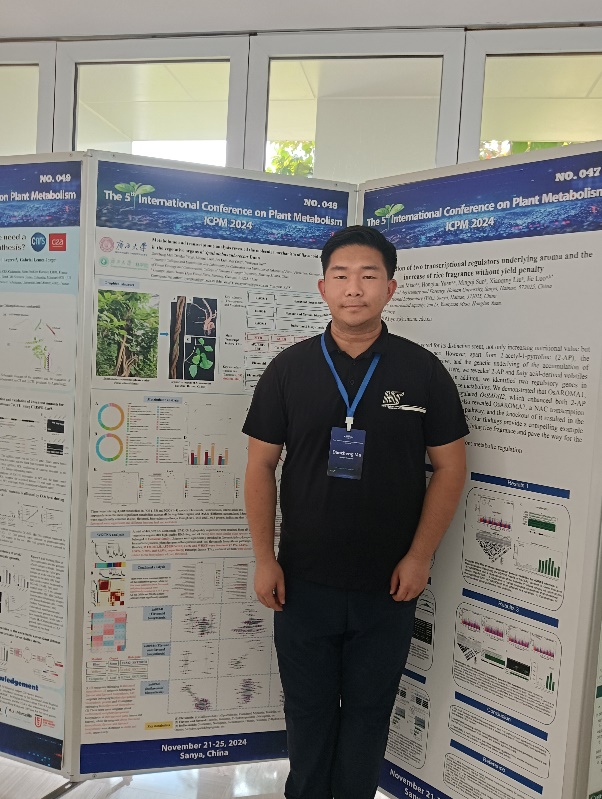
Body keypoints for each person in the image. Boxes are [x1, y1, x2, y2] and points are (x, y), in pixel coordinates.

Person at [242, 225, 468, 799]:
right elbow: (260, 466)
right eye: (341, 276)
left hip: (388, 585)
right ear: (322, 287)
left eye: (369, 276)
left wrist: (420, 556)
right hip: (302, 581)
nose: (354, 288)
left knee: (369, 716)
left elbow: (450, 468)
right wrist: (264, 559)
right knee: (308, 713)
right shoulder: (288, 369)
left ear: (390, 288)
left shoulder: (423, 371)